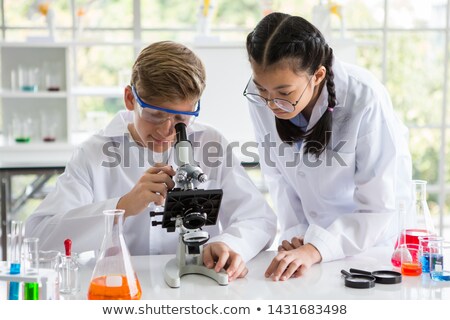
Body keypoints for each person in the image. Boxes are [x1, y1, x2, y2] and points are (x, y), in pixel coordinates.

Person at [25, 41, 277, 281]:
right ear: (130, 99)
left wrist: (229, 244)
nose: (166, 130)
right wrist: (122, 207)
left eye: (180, 118)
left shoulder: (210, 143)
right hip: (122, 286)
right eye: (155, 115)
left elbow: (259, 219)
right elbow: (39, 238)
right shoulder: (95, 153)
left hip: (197, 286)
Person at [244, 12, 412, 281]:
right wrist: (296, 237)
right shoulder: (265, 95)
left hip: (367, 248)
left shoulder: (365, 97)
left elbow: (380, 205)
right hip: (307, 251)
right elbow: (278, 178)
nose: (272, 104)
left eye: (284, 93)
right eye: (262, 90)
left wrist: (317, 248)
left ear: (318, 75)